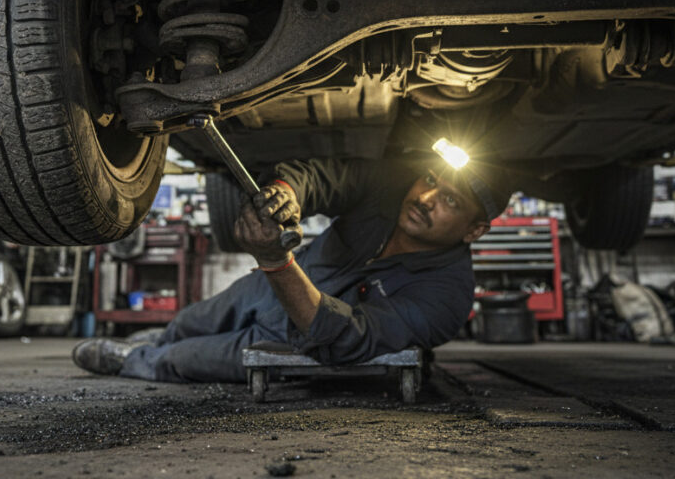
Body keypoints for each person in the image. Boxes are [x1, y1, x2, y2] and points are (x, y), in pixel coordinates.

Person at [73, 154, 513, 382]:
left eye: (450, 201)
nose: (425, 198)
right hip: (265, 290)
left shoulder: (449, 296)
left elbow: (347, 339)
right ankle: (160, 336)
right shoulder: (390, 187)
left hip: (289, 343)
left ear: (474, 230)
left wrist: (275, 261)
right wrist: (288, 191)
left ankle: (134, 359)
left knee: (180, 361)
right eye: (431, 180)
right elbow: (326, 178)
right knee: (189, 322)